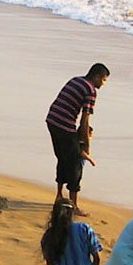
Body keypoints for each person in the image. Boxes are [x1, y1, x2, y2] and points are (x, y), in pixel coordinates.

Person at [45, 63, 109, 216]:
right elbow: (84, 120)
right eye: (104, 80)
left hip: (52, 120)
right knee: (75, 164)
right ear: (97, 77)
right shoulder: (90, 90)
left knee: (62, 158)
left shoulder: (76, 80)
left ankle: (59, 196)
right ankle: (73, 205)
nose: (103, 84)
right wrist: (86, 146)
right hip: (64, 125)